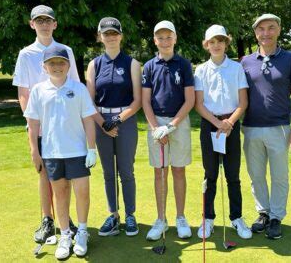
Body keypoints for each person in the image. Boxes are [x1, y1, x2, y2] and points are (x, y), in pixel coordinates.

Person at [12, 5, 79, 243]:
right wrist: (32, 124)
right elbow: (23, 92)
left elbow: (75, 87)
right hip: (40, 124)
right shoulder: (25, 54)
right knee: (44, 173)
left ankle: (66, 218)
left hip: (64, 124)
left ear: (54, 24)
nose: (43, 24)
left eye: (47, 20)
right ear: (32, 24)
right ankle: (47, 220)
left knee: (65, 175)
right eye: (38, 21)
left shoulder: (66, 51)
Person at [24, 46, 97, 259]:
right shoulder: (38, 90)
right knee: (60, 193)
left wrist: (91, 148)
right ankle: (65, 235)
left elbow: (88, 120)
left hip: (77, 150)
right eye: (52, 63)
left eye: (61, 63)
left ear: (68, 65)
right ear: (44, 67)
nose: (57, 67)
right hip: (52, 152)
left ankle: (82, 232)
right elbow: (33, 124)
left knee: (82, 192)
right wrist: (34, 152)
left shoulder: (79, 88)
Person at [241, 14, 291, 239]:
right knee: (256, 175)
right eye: (261, 29)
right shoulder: (245, 62)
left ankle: (277, 216)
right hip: (250, 127)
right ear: (256, 33)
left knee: (279, 176)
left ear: (278, 30)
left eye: (271, 28)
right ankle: (264, 213)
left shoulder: (290, 59)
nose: (266, 33)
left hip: (279, 127)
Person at [85, 17, 142, 236]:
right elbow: (89, 100)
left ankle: (130, 215)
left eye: (114, 33)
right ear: (100, 37)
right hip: (101, 123)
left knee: (126, 170)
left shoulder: (132, 63)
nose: (111, 37)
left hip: (125, 121)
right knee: (109, 172)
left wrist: (117, 120)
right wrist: (103, 124)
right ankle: (114, 214)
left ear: (121, 36)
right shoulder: (94, 64)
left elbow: (137, 100)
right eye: (106, 34)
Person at [194, 25, 251, 239]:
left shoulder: (236, 68)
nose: (216, 45)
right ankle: (207, 218)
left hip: (231, 125)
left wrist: (228, 123)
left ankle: (236, 217)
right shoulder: (200, 70)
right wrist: (218, 124)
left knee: (232, 175)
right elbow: (198, 104)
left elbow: (243, 102)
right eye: (212, 42)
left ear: (226, 42)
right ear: (206, 45)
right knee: (210, 175)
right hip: (210, 124)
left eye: (220, 41)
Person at [142, 20, 195, 240]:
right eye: (160, 37)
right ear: (155, 40)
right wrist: (156, 129)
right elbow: (145, 101)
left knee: (179, 170)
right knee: (159, 172)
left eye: (168, 37)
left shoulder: (184, 64)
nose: (165, 41)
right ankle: (161, 219)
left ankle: (180, 217)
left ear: (175, 39)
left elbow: (190, 99)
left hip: (179, 122)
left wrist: (171, 126)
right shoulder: (149, 66)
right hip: (156, 121)